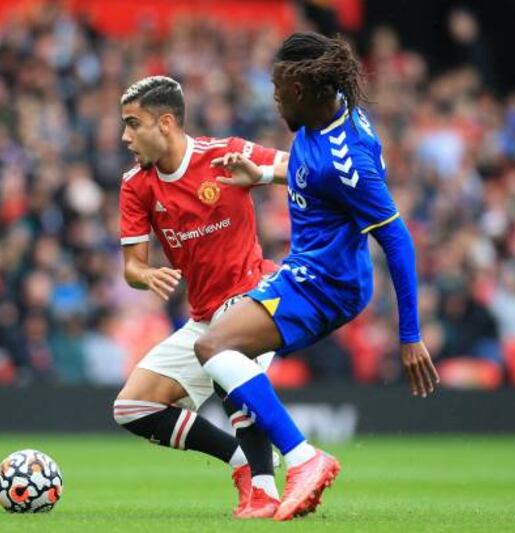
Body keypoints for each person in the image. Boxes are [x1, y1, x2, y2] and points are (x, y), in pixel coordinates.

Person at [194, 32, 440, 521]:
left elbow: (397, 240)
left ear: (303, 90)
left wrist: (409, 335)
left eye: (279, 88)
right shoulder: (325, 116)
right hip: (312, 270)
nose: (274, 96)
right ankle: (262, 490)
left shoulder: (348, 161)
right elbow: (314, 175)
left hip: (324, 282)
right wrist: (263, 175)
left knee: (213, 347)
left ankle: (304, 459)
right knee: (231, 353)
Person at [114, 76, 288, 519]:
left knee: (226, 350)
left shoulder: (222, 154)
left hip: (254, 299)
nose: (125, 137)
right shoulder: (136, 185)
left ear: (166, 122)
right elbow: (132, 266)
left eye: (133, 124)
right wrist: (146, 274)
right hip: (206, 317)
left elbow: (297, 167)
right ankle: (241, 462)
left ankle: (265, 491)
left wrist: (263, 173)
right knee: (132, 407)